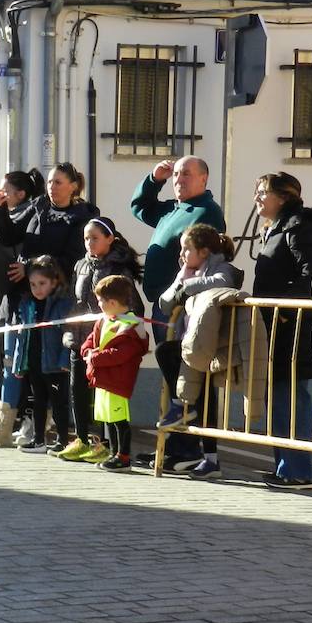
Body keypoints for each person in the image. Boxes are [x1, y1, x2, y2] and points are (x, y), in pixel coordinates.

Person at [129, 155, 226, 470]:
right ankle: (176, 444)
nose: (179, 180)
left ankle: (190, 449)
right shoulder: (173, 209)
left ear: (203, 180)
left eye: (187, 175)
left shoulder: (207, 212)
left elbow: (205, 259)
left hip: (184, 308)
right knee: (172, 376)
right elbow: (140, 207)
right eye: (176, 175)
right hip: (163, 303)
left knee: (189, 373)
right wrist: (154, 179)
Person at [252, 173, 312, 490]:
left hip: (292, 328)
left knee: (292, 397)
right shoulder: (276, 228)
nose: (256, 198)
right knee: (279, 398)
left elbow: (309, 275)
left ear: (282, 197)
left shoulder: (299, 227)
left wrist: (283, 312)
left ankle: (300, 471)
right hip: (277, 327)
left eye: (262, 192)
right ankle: (285, 466)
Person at [154, 226, 245, 480]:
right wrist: (180, 278)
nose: (182, 254)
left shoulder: (221, 267)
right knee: (167, 355)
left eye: (187, 249)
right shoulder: (189, 269)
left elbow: (222, 282)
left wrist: (189, 284)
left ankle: (211, 458)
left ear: (204, 252)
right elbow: (165, 303)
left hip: (211, 346)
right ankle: (181, 407)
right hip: (190, 343)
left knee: (207, 401)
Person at [56, 217, 144, 463]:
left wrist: (120, 333)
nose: (89, 243)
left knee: (105, 394)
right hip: (81, 340)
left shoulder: (119, 269)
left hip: (106, 344)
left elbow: (133, 308)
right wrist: (70, 332)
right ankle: (82, 439)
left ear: (110, 239)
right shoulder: (80, 265)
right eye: (86, 238)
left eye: (95, 238)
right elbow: (75, 302)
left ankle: (105, 445)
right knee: (78, 391)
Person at [0, 168, 43, 448]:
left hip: (28, 298)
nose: (2, 194)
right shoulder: (14, 214)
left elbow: (9, 238)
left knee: (21, 363)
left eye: (7, 190)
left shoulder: (33, 214)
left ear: (21, 194)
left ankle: (29, 423)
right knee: (9, 362)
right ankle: (4, 425)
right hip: (11, 298)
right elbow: (4, 235)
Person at [79, 275, 149, 471]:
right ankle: (113, 453)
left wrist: (94, 358)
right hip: (102, 378)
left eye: (100, 300)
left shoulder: (131, 325)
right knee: (108, 418)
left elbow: (121, 354)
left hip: (117, 380)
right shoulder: (104, 321)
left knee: (119, 421)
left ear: (112, 302)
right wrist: (87, 350)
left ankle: (124, 457)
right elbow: (91, 340)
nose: (98, 304)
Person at [12, 254, 75, 454]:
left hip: (55, 363)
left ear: (54, 281)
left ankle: (62, 441)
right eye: (32, 284)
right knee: (38, 401)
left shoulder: (63, 303)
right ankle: (39, 439)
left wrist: (65, 360)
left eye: (42, 283)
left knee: (59, 404)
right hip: (34, 361)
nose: (37, 289)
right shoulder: (27, 304)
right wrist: (18, 363)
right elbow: (22, 336)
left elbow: (69, 332)